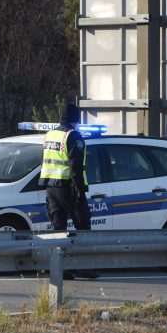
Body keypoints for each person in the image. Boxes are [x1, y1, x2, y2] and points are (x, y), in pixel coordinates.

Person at [38, 103, 99, 279]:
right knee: (83, 225)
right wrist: (80, 190)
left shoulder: (50, 135)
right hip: (68, 187)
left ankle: (60, 268)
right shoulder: (73, 136)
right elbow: (76, 167)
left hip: (51, 188)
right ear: (75, 119)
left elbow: (44, 160)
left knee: (58, 228)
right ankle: (84, 267)